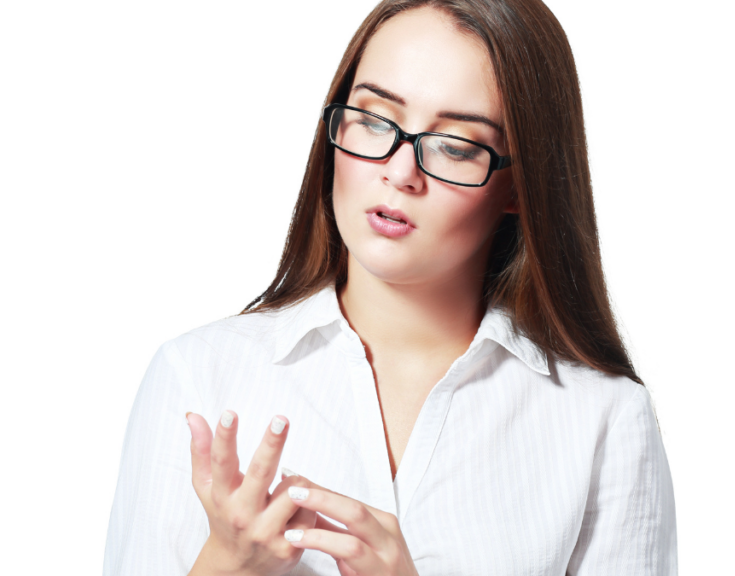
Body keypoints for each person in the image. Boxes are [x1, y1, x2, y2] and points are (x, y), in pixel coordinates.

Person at [103, 0, 677, 574]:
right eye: (375, 120)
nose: (401, 172)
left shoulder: (604, 419)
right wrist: (224, 564)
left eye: (455, 145)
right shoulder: (197, 374)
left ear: (519, 188)